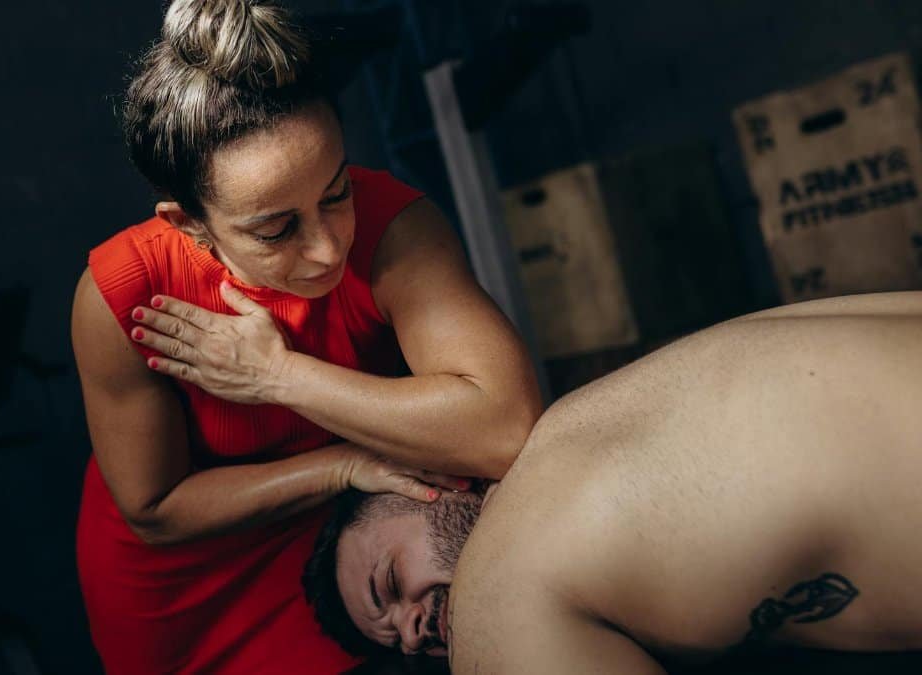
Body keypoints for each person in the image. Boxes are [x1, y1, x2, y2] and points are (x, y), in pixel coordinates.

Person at [70, 1, 543, 672]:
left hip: (346, 548)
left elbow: (506, 426)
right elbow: (156, 507)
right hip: (183, 582)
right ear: (189, 224)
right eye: (276, 229)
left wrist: (278, 377)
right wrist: (343, 464)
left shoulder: (393, 229)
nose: (326, 248)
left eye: (337, 190)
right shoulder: (127, 294)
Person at [305, 292, 922, 673]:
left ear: (429, 476)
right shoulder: (589, 420)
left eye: (389, 583)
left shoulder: (491, 600)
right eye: (400, 645)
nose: (413, 631)